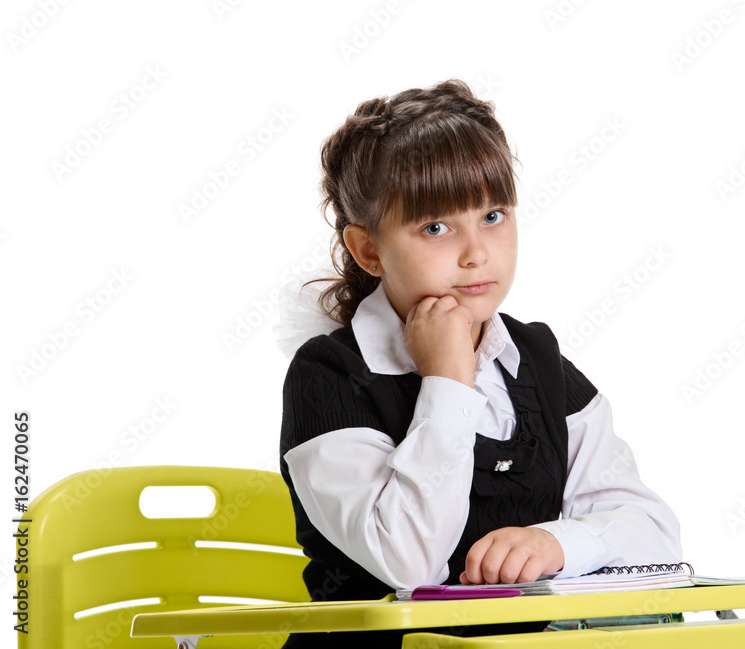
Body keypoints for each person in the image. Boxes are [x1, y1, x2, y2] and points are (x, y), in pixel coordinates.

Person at [277, 78, 682, 647]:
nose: (476, 253)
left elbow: (656, 537)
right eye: (436, 227)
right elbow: (409, 564)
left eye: (493, 215)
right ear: (369, 250)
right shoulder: (330, 375)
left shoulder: (537, 361)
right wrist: (447, 379)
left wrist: (560, 543)